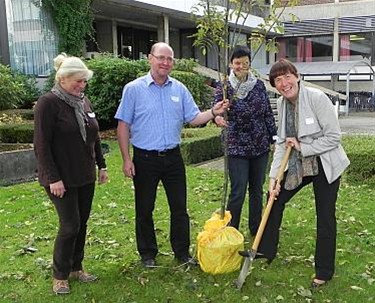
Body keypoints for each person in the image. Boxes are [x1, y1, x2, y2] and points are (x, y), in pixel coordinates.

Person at [115, 42, 228, 268]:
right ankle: (147, 254)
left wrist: (213, 112)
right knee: (144, 208)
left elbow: (194, 118)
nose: (166, 63)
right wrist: (127, 159)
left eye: (170, 59)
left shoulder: (179, 89)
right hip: (145, 158)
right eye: (161, 58)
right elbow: (123, 125)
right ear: (150, 58)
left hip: (173, 158)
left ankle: (182, 253)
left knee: (179, 207)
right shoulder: (134, 89)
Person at [256, 59, 350, 288]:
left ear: (297, 76)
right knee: (274, 198)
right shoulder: (283, 103)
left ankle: (324, 271)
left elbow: (334, 137)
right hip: (300, 165)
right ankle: (266, 249)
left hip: (325, 164)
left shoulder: (317, 99)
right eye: (278, 80)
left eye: (287, 76)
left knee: (325, 216)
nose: (284, 83)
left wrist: (302, 146)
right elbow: (281, 143)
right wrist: (273, 178)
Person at [34, 53, 108, 295]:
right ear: (62, 79)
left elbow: (94, 135)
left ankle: (77, 267)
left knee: (82, 223)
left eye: (84, 81)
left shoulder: (83, 101)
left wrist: (102, 165)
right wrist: (53, 177)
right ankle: (60, 275)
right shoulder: (47, 103)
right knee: (69, 226)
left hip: (84, 174)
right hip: (60, 178)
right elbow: (41, 145)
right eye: (77, 81)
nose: (82, 85)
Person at [214, 45, 277, 236]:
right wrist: (218, 117)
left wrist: (273, 137)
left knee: (256, 190)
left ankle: (256, 228)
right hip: (236, 146)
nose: (241, 67)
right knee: (238, 191)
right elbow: (215, 110)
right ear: (231, 64)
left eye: (246, 63)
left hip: (260, 145)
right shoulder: (224, 87)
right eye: (238, 63)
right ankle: (231, 231)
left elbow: (267, 112)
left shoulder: (258, 85)